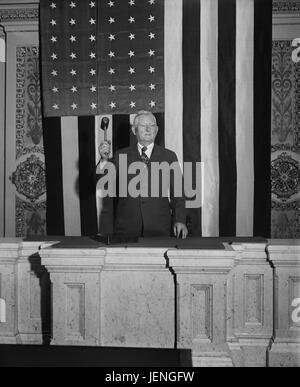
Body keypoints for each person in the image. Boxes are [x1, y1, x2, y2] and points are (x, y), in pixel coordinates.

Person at [97, 111, 188, 239]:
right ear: (134, 130)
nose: (148, 129)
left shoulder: (169, 156)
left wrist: (180, 220)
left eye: (151, 125)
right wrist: (104, 160)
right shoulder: (120, 155)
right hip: (127, 228)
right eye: (143, 125)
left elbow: (178, 193)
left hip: (159, 228)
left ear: (156, 130)